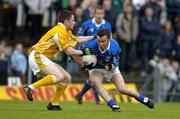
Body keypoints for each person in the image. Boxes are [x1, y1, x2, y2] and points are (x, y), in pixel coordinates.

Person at [23, 10, 95, 111]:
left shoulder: (66, 31)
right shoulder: (60, 31)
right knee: (59, 76)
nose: (74, 22)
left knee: (67, 78)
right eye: (72, 20)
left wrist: (94, 37)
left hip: (42, 57)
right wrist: (85, 52)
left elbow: (77, 39)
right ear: (66, 21)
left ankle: (54, 103)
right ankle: (30, 88)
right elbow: (69, 51)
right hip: (37, 55)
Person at [76, 29, 154, 112]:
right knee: (95, 81)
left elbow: (113, 66)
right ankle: (113, 104)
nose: (101, 44)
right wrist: (83, 65)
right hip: (96, 68)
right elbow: (75, 52)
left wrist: (107, 66)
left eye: (103, 41)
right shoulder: (91, 45)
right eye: (99, 41)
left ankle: (144, 99)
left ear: (109, 39)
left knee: (122, 89)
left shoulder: (114, 46)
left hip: (110, 67)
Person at [75, 5, 112, 104]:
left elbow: (110, 41)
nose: (99, 15)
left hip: (102, 54)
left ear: (104, 14)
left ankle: (79, 95)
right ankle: (97, 100)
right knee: (94, 77)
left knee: (94, 79)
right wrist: (79, 52)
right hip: (88, 54)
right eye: (98, 13)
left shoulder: (107, 25)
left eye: (101, 13)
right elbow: (78, 38)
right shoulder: (86, 24)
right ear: (94, 14)